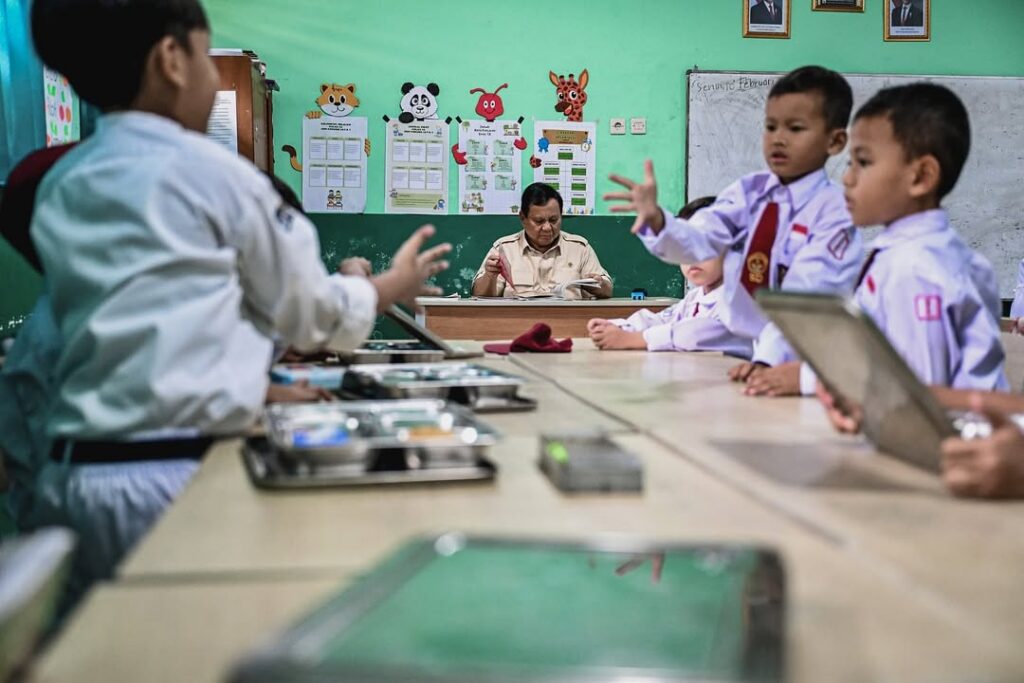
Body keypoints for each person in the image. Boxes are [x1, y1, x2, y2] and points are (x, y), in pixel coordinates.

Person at [25, 0, 450, 613]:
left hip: (70, 478)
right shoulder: (218, 176)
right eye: (205, 52)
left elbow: (164, 326)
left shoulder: (67, 181)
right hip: (165, 477)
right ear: (172, 59)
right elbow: (308, 312)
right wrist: (389, 284)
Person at [604, 65, 861, 392]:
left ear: (835, 141)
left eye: (796, 128)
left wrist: (770, 363)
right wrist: (659, 221)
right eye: (770, 126)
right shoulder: (751, 192)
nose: (778, 139)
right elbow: (701, 239)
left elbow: (804, 299)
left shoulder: (835, 211)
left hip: (815, 363)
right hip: (765, 357)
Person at [586, 196, 752, 359]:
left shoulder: (741, 297)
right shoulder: (695, 297)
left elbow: (696, 333)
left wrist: (632, 339)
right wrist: (618, 326)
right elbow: (662, 320)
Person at [472, 183, 612, 299]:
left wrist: (599, 284)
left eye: (553, 220)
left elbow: (607, 291)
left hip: (567, 324)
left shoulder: (580, 248)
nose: (547, 228)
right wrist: (490, 276)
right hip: (517, 324)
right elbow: (479, 295)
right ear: (522, 218)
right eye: (539, 221)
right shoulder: (504, 248)